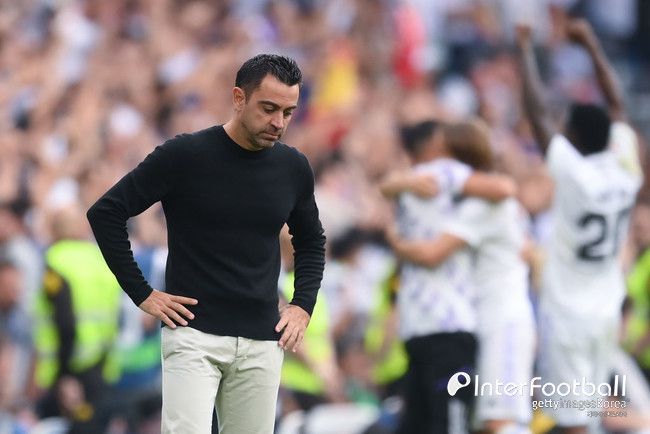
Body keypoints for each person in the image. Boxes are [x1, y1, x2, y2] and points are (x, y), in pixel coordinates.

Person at [86, 54, 326, 434]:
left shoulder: (293, 167)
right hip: (193, 336)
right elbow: (106, 213)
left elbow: (311, 241)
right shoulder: (185, 155)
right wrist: (142, 293)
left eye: (288, 112)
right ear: (238, 98)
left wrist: (302, 306)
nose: (278, 122)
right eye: (268, 109)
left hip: (262, 341)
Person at [517, 20, 643, 434]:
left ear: (571, 137)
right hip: (606, 310)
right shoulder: (626, 170)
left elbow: (537, 114)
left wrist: (524, 49)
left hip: (568, 314)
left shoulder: (575, 175)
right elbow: (618, 105)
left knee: (575, 421)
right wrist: (591, 43)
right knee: (589, 413)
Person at [386, 120, 536, 434]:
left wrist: (397, 242)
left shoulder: (482, 205)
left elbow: (432, 253)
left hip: (501, 319)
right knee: (483, 421)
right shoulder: (470, 202)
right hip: (483, 316)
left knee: (499, 420)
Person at [33, 205, 122, 434]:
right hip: (100, 367)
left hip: (68, 372)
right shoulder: (101, 260)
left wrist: (64, 375)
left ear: (54, 230)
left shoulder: (55, 261)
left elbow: (65, 323)